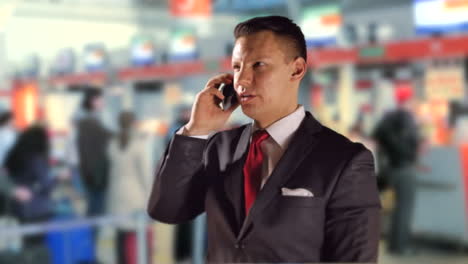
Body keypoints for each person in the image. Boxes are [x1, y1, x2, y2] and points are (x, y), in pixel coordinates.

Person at [148, 16, 381, 263]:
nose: (242, 80)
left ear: (297, 69)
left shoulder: (344, 161)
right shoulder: (220, 148)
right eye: (237, 67)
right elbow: (166, 209)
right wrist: (196, 130)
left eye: (258, 65)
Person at [372, 86, 421, 255]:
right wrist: (405, 153)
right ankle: (400, 247)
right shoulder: (407, 117)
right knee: (404, 209)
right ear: (408, 99)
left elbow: (377, 134)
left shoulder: (389, 116)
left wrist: (392, 150)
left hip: (392, 168)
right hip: (404, 167)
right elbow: (413, 142)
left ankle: (394, 245)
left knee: (397, 209)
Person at [106, 111, 152, 264]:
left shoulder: (113, 144)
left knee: (121, 234)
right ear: (133, 123)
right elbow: (146, 175)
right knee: (136, 238)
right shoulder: (138, 144)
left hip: (116, 194)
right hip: (135, 195)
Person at [76, 87, 112, 216]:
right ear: (93, 101)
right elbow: (106, 136)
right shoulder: (87, 121)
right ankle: (91, 235)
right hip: (94, 172)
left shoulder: (92, 118)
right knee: (96, 208)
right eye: (100, 99)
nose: (103, 102)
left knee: (95, 206)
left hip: (92, 171)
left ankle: (91, 233)